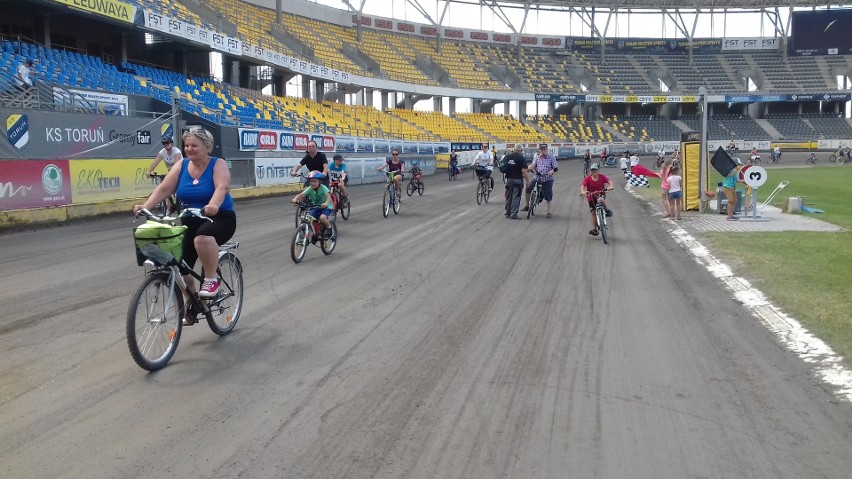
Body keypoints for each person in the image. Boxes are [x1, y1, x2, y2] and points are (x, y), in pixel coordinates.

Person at [133, 128, 235, 298]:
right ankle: (191, 301)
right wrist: (145, 206)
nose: (189, 149)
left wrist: (213, 205)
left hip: (219, 218)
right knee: (178, 264)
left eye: (194, 145)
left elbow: (221, 187)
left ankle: (211, 279)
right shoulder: (182, 165)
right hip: (190, 219)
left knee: (202, 238)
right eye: (187, 145)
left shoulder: (218, 164)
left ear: (207, 147)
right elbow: (165, 188)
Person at [291, 170, 333, 239]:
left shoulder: (323, 188)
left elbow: (328, 197)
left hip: (326, 207)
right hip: (316, 206)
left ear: (320, 181)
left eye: (315, 181)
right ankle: (317, 233)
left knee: (322, 217)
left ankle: (329, 227)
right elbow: (301, 195)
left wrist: (326, 203)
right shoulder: (309, 188)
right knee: (311, 217)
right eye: (311, 181)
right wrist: (295, 199)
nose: (312, 183)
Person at [580, 163, 614, 236]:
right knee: (593, 213)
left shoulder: (602, 176)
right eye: (592, 170)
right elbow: (582, 185)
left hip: (600, 193)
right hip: (591, 196)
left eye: (595, 170)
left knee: (601, 199)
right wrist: (583, 191)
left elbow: (609, 181)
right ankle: (595, 229)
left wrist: (610, 186)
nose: (594, 171)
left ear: (598, 170)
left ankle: (607, 211)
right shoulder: (588, 178)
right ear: (590, 171)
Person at [525, 144, 557, 217]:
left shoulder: (551, 158)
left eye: (544, 149)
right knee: (528, 187)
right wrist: (528, 168)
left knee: (548, 195)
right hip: (537, 177)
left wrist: (551, 171)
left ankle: (549, 212)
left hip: (547, 178)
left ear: (547, 149)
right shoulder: (537, 157)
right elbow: (533, 165)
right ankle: (527, 205)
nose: (543, 151)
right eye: (542, 149)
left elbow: (555, 168)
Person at [503, 144, 529, 219]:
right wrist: (527, 181)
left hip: (509, 179)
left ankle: (507, 213)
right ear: (521, 150)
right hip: (517, 180)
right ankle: (513, 214)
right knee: (516, 197)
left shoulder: (508, 156)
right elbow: (524, 171)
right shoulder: (521, 158)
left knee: (508, 196)